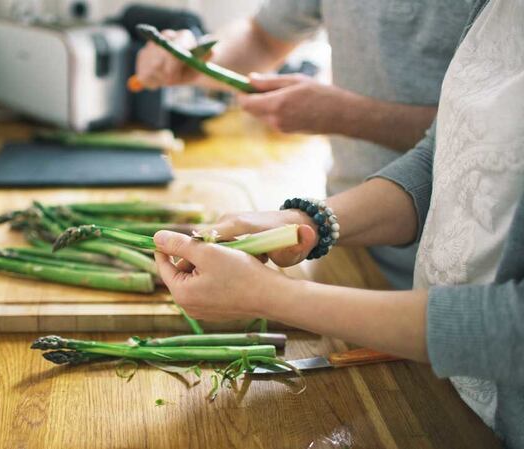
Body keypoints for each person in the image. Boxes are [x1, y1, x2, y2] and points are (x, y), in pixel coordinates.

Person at [151, 0, 523, 446]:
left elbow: (510, 325)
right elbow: (445, 154)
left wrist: (271, 295)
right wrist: (304, 220)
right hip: (444, 374)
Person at [135, 1, 474, 289]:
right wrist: (195, 60)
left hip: (464, 257)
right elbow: (262, 38)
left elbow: (488, 134)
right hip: (343, 229)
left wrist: (346, 115)